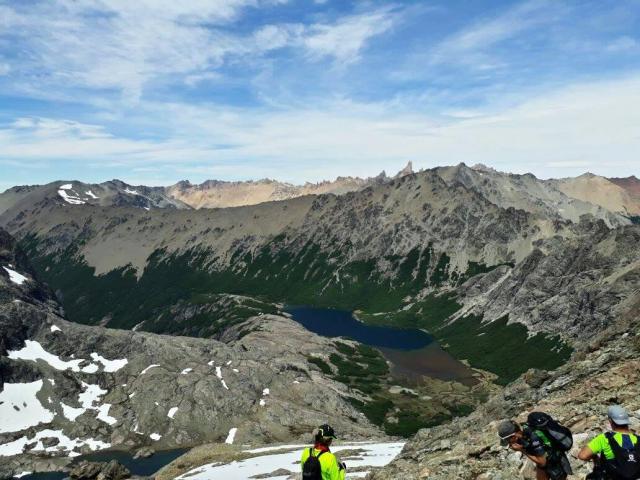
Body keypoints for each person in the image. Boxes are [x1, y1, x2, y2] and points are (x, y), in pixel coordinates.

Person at [578, 405, 640, 479]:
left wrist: (594, 457)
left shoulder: (605, 438)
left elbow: (582, 455)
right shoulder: (638, 439)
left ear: (610, 421)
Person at [498, 419, 569, 480]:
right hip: (542, 457)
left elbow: (542, 462)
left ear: (513, 436)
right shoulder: (522, 431)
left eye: (508, 441)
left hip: (555, 460)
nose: (510, 444)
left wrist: (522, 450)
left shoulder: (533, 437)